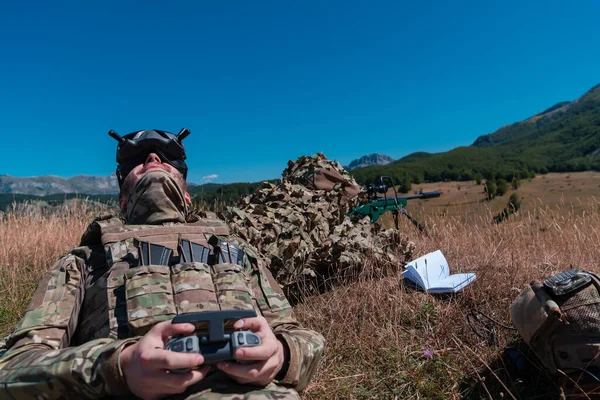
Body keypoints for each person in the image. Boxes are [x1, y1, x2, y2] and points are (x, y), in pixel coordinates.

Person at [0, 129, 325, 400]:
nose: (153, 159)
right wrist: (118, 366)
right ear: (122, 200)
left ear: (187, 196)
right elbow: (14, 368)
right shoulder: (84, 261)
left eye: (167, 159)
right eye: (137, 161)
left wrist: (281, 355)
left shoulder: (236, 251)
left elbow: (298, 335)